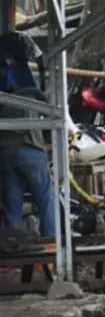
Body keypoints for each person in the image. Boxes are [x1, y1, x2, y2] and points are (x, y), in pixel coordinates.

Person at [0, 86, 56, 239]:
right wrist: (49, 140)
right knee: (44, 199)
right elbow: (52, 116)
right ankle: (51, 240)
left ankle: (14, 244)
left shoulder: (3, 99)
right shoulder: (32, 94)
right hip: (31, 150)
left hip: (6, 153)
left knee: (12, 203)